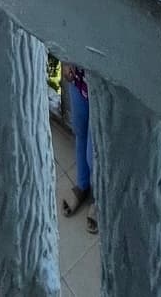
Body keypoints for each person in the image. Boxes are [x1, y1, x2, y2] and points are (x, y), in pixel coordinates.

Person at [60, 63, 93, 223]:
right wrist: (65, 60)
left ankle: (100, 199)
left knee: (95, 153)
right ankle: (82, 184)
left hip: (101, 88)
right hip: (78, 78)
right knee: (80, 132)